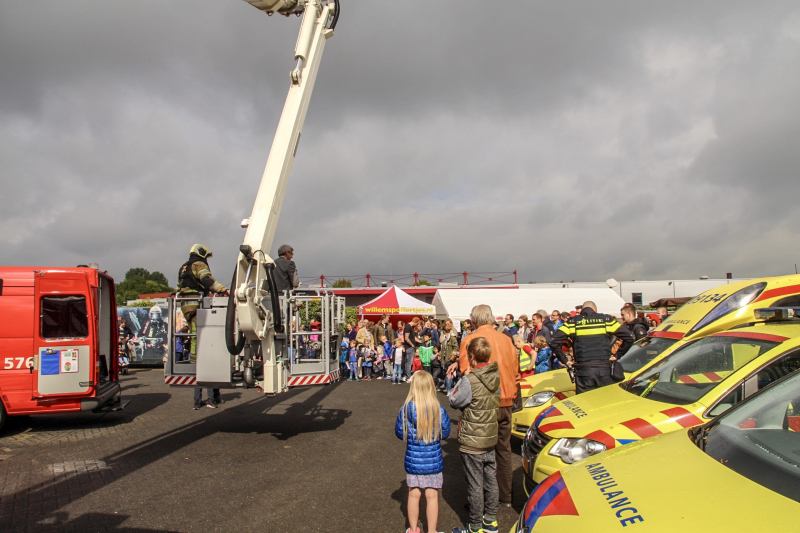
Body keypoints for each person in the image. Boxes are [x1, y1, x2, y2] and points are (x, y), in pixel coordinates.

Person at [447, 304, 519, 509]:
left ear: (475, 319)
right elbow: (515, 371)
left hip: (481, 403)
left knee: (479, 455)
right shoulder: (507, 340)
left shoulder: (470, 340)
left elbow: (466, 372)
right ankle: (505, 496)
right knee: (504, 450)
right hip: (506, 400)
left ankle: (481, 502)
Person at [448, 337, 500, 533]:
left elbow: (454, 400)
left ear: (471, 357)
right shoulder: (496, 375)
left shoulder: (470, 380)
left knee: (475, 484)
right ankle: (491, 520)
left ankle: (475, 526)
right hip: (489, 435)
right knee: (490, 480)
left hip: (472, 439)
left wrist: (462, 379)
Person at [395, 372, 451, 533]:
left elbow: (400, 433)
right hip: (433, 460)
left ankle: (413, 529)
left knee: (413, 495)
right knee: (432, 496)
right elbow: (445, 432)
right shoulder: (437, 409)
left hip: (414, 460)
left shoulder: (406, 409)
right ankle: (432, 531)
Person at [177, 244, 228, 410]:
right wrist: (222, 290)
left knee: (194, 338)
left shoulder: (184, 267)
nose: (207, 260)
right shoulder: (199, 265)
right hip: (197, 306)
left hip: (187, 307)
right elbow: (206, 280)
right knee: (202, 343)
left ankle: (198, 399)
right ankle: (211, 396)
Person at [549, 301, 634, 394]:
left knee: (585, 404)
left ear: (581, 311)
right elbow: (630, 337)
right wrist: (618, 355)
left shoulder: (573, 322)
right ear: (595, 310)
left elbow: (553, 341)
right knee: (605, 402)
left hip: (584, 371)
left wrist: (565, 360)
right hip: (604, 370)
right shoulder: (606, 320)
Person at [439, 319, 459, 393]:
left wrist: (452, 356)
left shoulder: (452, 338)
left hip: (450, 358)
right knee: (445, 372)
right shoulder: (445, 340)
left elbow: (456, 348)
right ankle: (447, 386)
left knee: (449, 373)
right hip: (444, 358)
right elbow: (443, 349)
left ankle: (449, 389)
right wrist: (439, 354)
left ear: (444, 331)